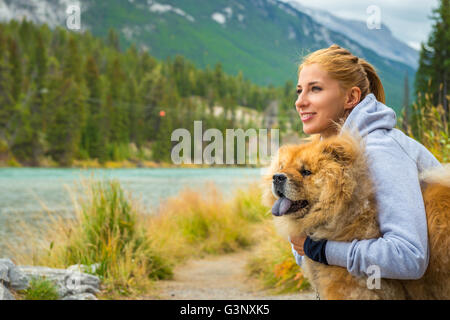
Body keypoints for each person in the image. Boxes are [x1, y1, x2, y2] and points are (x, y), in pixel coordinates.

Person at [290, 44, 442, 279]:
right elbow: (305, 252)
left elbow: (409, 257)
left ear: (351, 97)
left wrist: (323, 250)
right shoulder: (323, 160)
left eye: (315, 89)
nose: (300, 101)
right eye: (299, 91)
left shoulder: (380, 151)